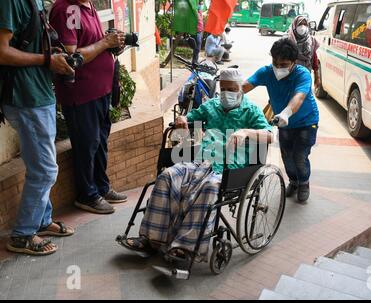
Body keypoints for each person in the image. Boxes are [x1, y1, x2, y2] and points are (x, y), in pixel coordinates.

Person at [119, 69, 273, 260]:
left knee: (209, 187)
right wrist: (182, 119)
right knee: (168, 176)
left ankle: (185, 247)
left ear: (240, 89)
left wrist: (246, 133)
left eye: (231, 89)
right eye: (223, 89)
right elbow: (189, 118)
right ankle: (151, 238)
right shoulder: (212, 106)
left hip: (230, 168)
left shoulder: (251, 111)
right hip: (202, 160)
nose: (227, 93)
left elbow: (269, 135)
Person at [0, 0, 76, 255]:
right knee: (44, 170)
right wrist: (46, 60)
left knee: (42, 164)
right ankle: (22, 234)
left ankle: (41, 221)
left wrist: (54, 56)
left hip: (40, 94)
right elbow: (2, 51)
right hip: (26, 97)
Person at [50, 0, 128, 215]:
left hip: (101, 90)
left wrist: (113, 45)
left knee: (100, 141)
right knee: (87, 143)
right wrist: (105, 43)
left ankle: (101, 187)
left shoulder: (87, 5)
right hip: (81, 93)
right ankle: (87, 195)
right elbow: (71, 58)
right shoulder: (66, 8)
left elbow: (94, 43)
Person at [243, 38, 319, 203]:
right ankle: (293, 181)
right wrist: (229, 95)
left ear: (293, 62)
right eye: (275, 63)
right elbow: (246, 85)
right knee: (286, 155)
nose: (278, 67)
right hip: (283, 123)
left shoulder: (302, 74)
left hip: (306, 122)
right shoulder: (267, 72)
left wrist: (286, 113)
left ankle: (304, 183)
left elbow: (299, 97)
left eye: (283, 64)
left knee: (300, 155)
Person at [287, 16, 320, 91]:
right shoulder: (288, 40)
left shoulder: (311, 40)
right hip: (289, 76)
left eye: (305, 24)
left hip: (305, 76)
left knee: (304, 98)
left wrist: (317, 77)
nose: (302, 27)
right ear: (295, 25)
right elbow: (279, 60)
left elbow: (314, 59)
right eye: (300, 24)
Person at [192, 0, 204, 65]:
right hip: (197, 31)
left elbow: (201, 20)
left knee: (198, 48)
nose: (202, 4)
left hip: (200, 31)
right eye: (201, 3)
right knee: (197, 48)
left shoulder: (200, 11)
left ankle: (195, 61)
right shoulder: (195, 11)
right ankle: (194, 62)